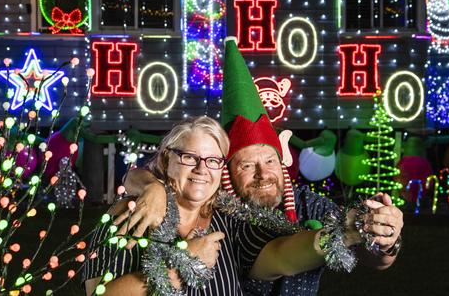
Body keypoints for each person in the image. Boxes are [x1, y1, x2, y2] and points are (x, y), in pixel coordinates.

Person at [114, 38, 404, 296]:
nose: (263, 174)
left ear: (283, 161)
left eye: (269, 161)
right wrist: (153, 186)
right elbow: (280, 257)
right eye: (247, 166)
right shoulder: (225, 215)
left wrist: (383, 234)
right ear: (225, 171)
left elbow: (378, 258)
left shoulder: (309, 205)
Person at [83, 116, 364, 296]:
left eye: (213, 160)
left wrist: (344, 234)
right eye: (190, 157)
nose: (202, 169)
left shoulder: (228, 219)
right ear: (168, 160)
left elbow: (280, 257)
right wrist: (182, 266)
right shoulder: (131, 215)